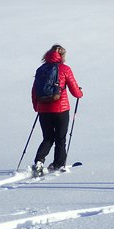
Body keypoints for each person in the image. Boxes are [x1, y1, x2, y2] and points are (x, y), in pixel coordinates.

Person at [32, 44, 83, 174]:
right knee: (60, 138)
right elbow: (74, 89)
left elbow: (34, 91)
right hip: (61, 109)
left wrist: (36, 106)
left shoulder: (41, 69)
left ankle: (39, 161)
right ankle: (58, 164)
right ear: (62, 55)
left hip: (43, 110)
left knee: (48, 137)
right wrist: (80, 94)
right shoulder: (65, 69)